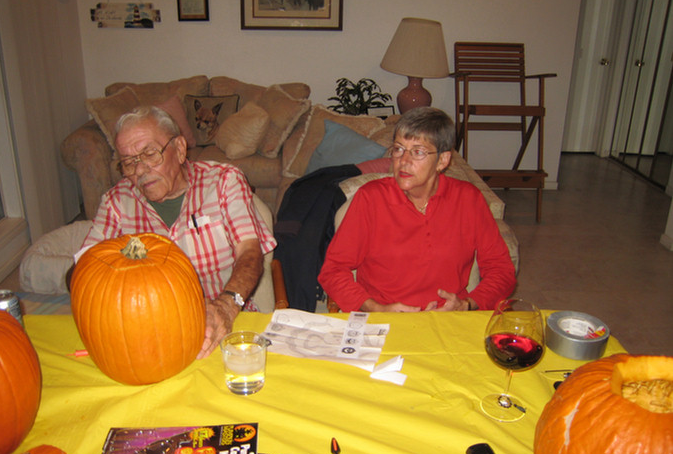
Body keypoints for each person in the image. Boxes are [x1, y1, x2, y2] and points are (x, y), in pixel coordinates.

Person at [74, 106, 276, 357]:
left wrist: (226, 305)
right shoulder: (116, 203)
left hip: (229, 317)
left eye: (149, 154)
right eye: (128, 162)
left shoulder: (224, 181)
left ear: (180, 149)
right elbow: (84, 269)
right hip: (151, 330)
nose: (139, 170)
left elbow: (249, 252)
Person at [318, 107, 516, 312]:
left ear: (442, 160)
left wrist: (467, 305)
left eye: (418, 152)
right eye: (398, 149)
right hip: (384, 321)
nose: (403, 161)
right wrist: (375, 308)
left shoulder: (468, 199)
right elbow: (333, 271)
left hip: (448, 322)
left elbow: (501, 271)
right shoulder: (371, 198)